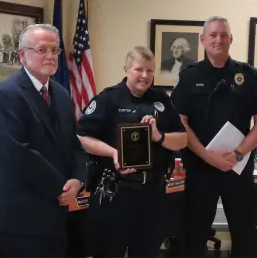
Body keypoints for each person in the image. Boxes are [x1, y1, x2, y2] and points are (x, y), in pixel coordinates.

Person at [76, 45, 187, 257]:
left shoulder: (161, 99)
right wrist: (113, 153)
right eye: (139, 69)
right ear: (126, 69)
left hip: (152, 193)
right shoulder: (109, 98)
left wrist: (159, 137)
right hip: (115, 194)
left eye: (149, 70)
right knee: (110, 252)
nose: (144, 76)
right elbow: (82, 137)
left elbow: (182, 139)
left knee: (147, 251)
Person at [170, 16, 257, 257]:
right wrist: (206, 155)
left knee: (245, 235)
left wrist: (238, 153)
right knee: (194, 234)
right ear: (203, 40)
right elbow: (179, 123)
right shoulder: (189, 76)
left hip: (237, 167)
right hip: (200, 167)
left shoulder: (249, 76)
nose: (218, 40)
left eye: (223, 35)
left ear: (231, 39)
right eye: (212, 35)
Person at [0, 24, 87, 257]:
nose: (50, 56)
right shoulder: (7, 94)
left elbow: (73, 144)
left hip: (58, 214)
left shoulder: (62, 94)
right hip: (22, 217)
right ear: (22, 55)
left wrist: (78, 179)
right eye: (42, 50)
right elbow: (17, 153)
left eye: (54, 51)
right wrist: (61, 187)